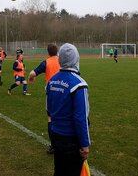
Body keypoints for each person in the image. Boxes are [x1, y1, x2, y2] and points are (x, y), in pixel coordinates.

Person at [46, 43, 90, 176]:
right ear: (76, 59)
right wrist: (85, 144)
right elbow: (81, 118)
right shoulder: (79, 84)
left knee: (59, 171)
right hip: (71, 140)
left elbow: (49, 110)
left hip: (55, 135)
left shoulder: (52, 81)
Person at [28, 44, 60, 154]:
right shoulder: (63, 60)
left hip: (51, 94)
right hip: (65, 92)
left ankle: (54, 145)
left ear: (48, 53)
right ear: (57, 51)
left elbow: (33, 73)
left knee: (51, 118)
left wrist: (30, 78)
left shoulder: (46, 62)